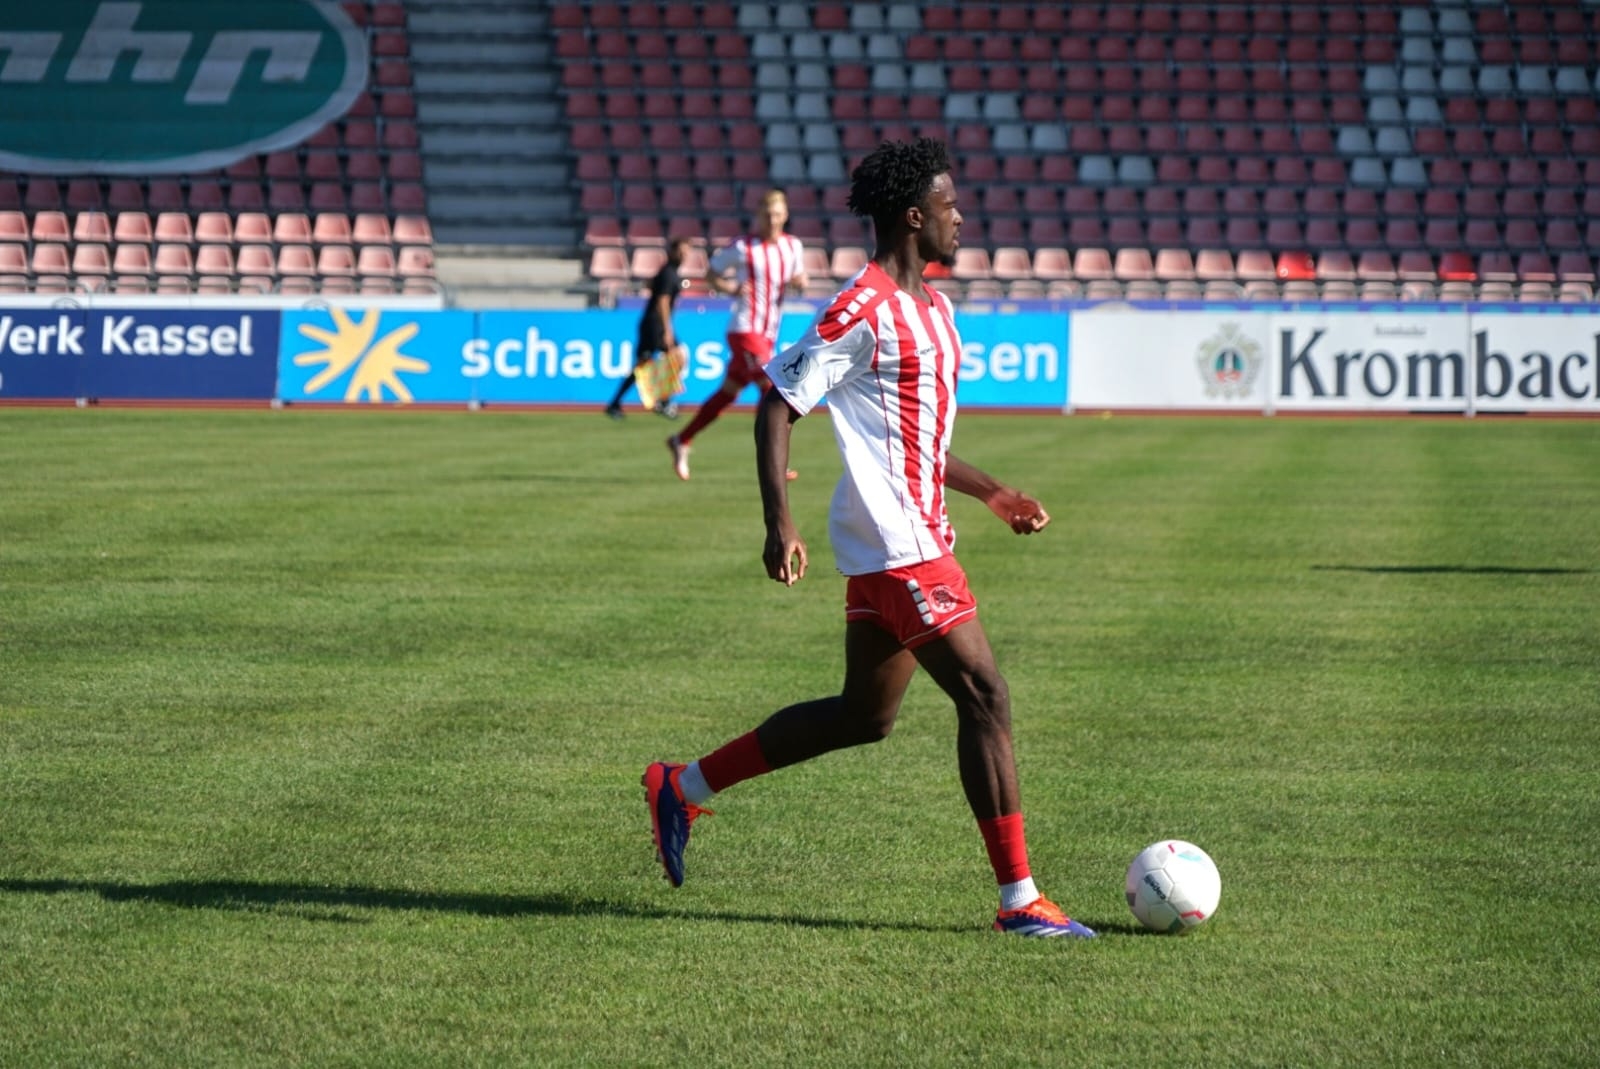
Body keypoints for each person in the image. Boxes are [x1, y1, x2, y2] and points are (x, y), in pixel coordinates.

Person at [642, 138, 1095, 939]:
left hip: (905, 533)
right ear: (914, 217)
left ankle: (682, 787)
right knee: (986, 695)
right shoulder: (863, 307)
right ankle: (1020, 899)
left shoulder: (937, 312)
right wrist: (779, 521)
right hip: (899, 542)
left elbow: (918, 441)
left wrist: (993, 492)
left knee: (864, 715)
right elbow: (777, 401)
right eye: (950, 206)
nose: (961, 218)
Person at [665, 189, 807, 480]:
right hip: (744, 328)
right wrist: (730, 288)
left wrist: (800, 282)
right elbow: (712, 273)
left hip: (768, 332)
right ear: (759, 215)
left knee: (727, 393)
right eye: (767, 215)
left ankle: (682, 439)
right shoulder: (743, 246)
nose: (772, 220)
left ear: (785, 216)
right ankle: (771, 460)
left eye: (777, 214)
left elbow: (799, 278)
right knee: (771, 388)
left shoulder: (793, 247)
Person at [606, 236, 690, 420]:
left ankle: (618, 403)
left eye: (686, 252)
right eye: (681, 252)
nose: (684, 256)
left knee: (657, 362)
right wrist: (667, 329)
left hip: (653, 324)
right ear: (672, 252)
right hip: (654, 325)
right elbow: (662, 301)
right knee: (673, 358)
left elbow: (653, 288)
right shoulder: (668, 273)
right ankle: (662, 402)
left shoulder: (668, 272)